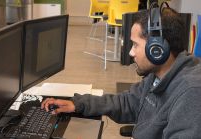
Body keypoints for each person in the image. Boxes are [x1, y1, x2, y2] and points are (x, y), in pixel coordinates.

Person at [41, 7, 201, 139]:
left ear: (157, 50)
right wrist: (79, 104)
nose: (131, 52)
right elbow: (128, 102)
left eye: (135, 45)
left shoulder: (191, 94)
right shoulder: (158, 75)